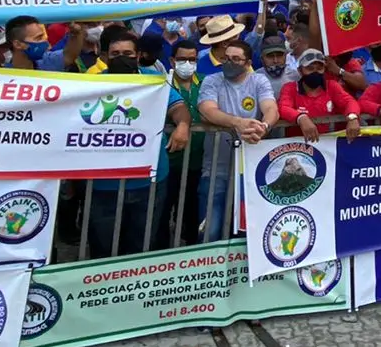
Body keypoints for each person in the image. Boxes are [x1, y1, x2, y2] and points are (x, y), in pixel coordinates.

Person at [84, 27, 187, 256]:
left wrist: (182, 125)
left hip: (149, 181)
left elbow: (178, 107)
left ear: (138, 55)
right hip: (104, 184)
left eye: (128, 53)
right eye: (115, 53)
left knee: (141, 247)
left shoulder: (155, 82)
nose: (122, 58)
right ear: (105, 56)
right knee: (102, 248)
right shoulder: (90, 86)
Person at [195, 37, 279, 241]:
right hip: (216, 167)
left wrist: (263, 127)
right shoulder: (212, 80)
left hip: (249, 169)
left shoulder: (258, 80)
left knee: (248, 231)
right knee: (210, 229)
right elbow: (207, 110)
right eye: (226, 58)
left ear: (248, 63)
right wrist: (237, 123)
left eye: (236, 59)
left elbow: (270, 108)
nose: (229, 63)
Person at [165, 39, 206, 246]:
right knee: (163, 210)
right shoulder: (163, 84)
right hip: (169, 160)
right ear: (172, 60)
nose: (187, 64)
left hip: (199, 160)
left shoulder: (207, 82)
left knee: (192, 210)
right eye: (182, 59)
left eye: (192, 59)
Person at [277, 48, 361, 140]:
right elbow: (283, 107)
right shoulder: (290, 88)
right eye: (310, 68)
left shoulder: (332, 86)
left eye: (319, 68)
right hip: (297, 146)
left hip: (329, 145)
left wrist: (353, 117)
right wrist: (301, 118)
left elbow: (349, 102)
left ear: (324, 69)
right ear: (300, 70)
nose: (315, 72)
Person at [6, 15, 85, 71]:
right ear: (17, 44)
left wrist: (76, 34)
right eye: (38, 38)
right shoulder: (1, 76)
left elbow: (69, 56)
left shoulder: (46, 62)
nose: (45, 42)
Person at [258, 34, 295, 99]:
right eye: (270, 56)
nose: (275, 61)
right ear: (262, 58)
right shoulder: (255, 78)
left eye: (279, 55)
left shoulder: (295, 76)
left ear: (285, 56)